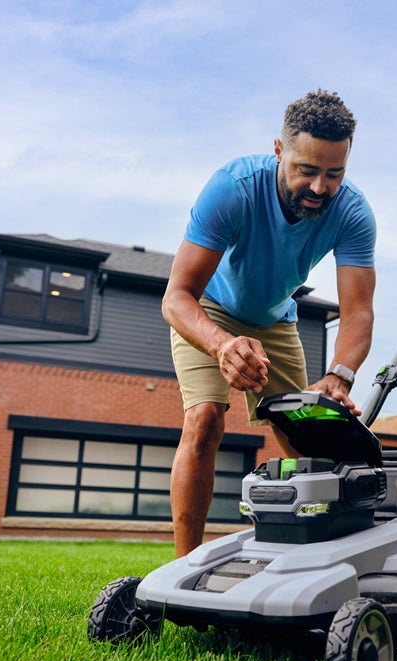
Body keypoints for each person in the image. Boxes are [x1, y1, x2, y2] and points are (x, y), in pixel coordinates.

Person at [162, 89, 377, 556]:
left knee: (305, 432)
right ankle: (182, 567)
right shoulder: (232, 189)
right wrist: (221, 346)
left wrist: (339, 376)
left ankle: (317, 553)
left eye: (334, 173)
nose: (320, 187)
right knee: (203, 421)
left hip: (277, 318)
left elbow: (358, 310)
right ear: (279, 151)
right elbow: (176, 297)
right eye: (307, 170)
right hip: (211, 309)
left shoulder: (354, 213)